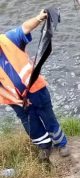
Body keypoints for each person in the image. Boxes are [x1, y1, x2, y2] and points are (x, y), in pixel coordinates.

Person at [0, 10, 69, 160]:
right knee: (31, 124)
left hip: (35, 89)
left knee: (47, 115)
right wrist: (18, 101)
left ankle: (61, 143)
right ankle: (44, 146)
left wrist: (39, 18)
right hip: (16, 100)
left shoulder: (7, 40)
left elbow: (24, 28)